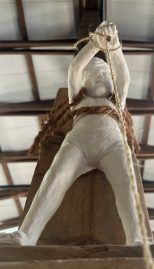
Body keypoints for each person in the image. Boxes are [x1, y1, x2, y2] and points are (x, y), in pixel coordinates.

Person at [0, 21, 142, 246]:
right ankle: (26, 234)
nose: (100, 75)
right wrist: (94, 45)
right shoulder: (77, 99)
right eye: (93, 72)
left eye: (105, 73)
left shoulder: (116, 102)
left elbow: (123, 77)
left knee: (127, 182)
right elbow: (75, 68)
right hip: (78, 143)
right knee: (54, 177)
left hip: (113, 143)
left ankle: (137, 238)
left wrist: (113, 46)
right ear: (82, 81)